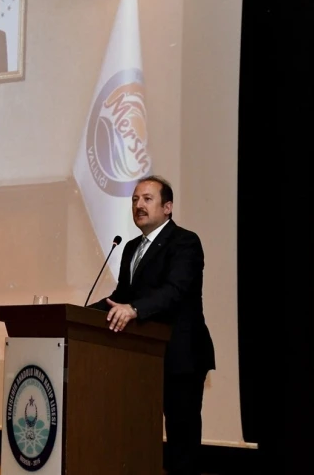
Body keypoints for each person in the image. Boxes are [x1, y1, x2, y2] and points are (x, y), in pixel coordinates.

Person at [89, 175, 216, 475]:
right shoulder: (131, 247)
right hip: (142, 357)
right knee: (139, 431)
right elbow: (121, 296)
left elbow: (175, 290)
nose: (138, 205)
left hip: (181, 355)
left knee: (182, 438)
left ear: (167, 207)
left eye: (147, 199)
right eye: (135, 199)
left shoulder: (185, 241)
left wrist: (135, 309)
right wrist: (78, 313)